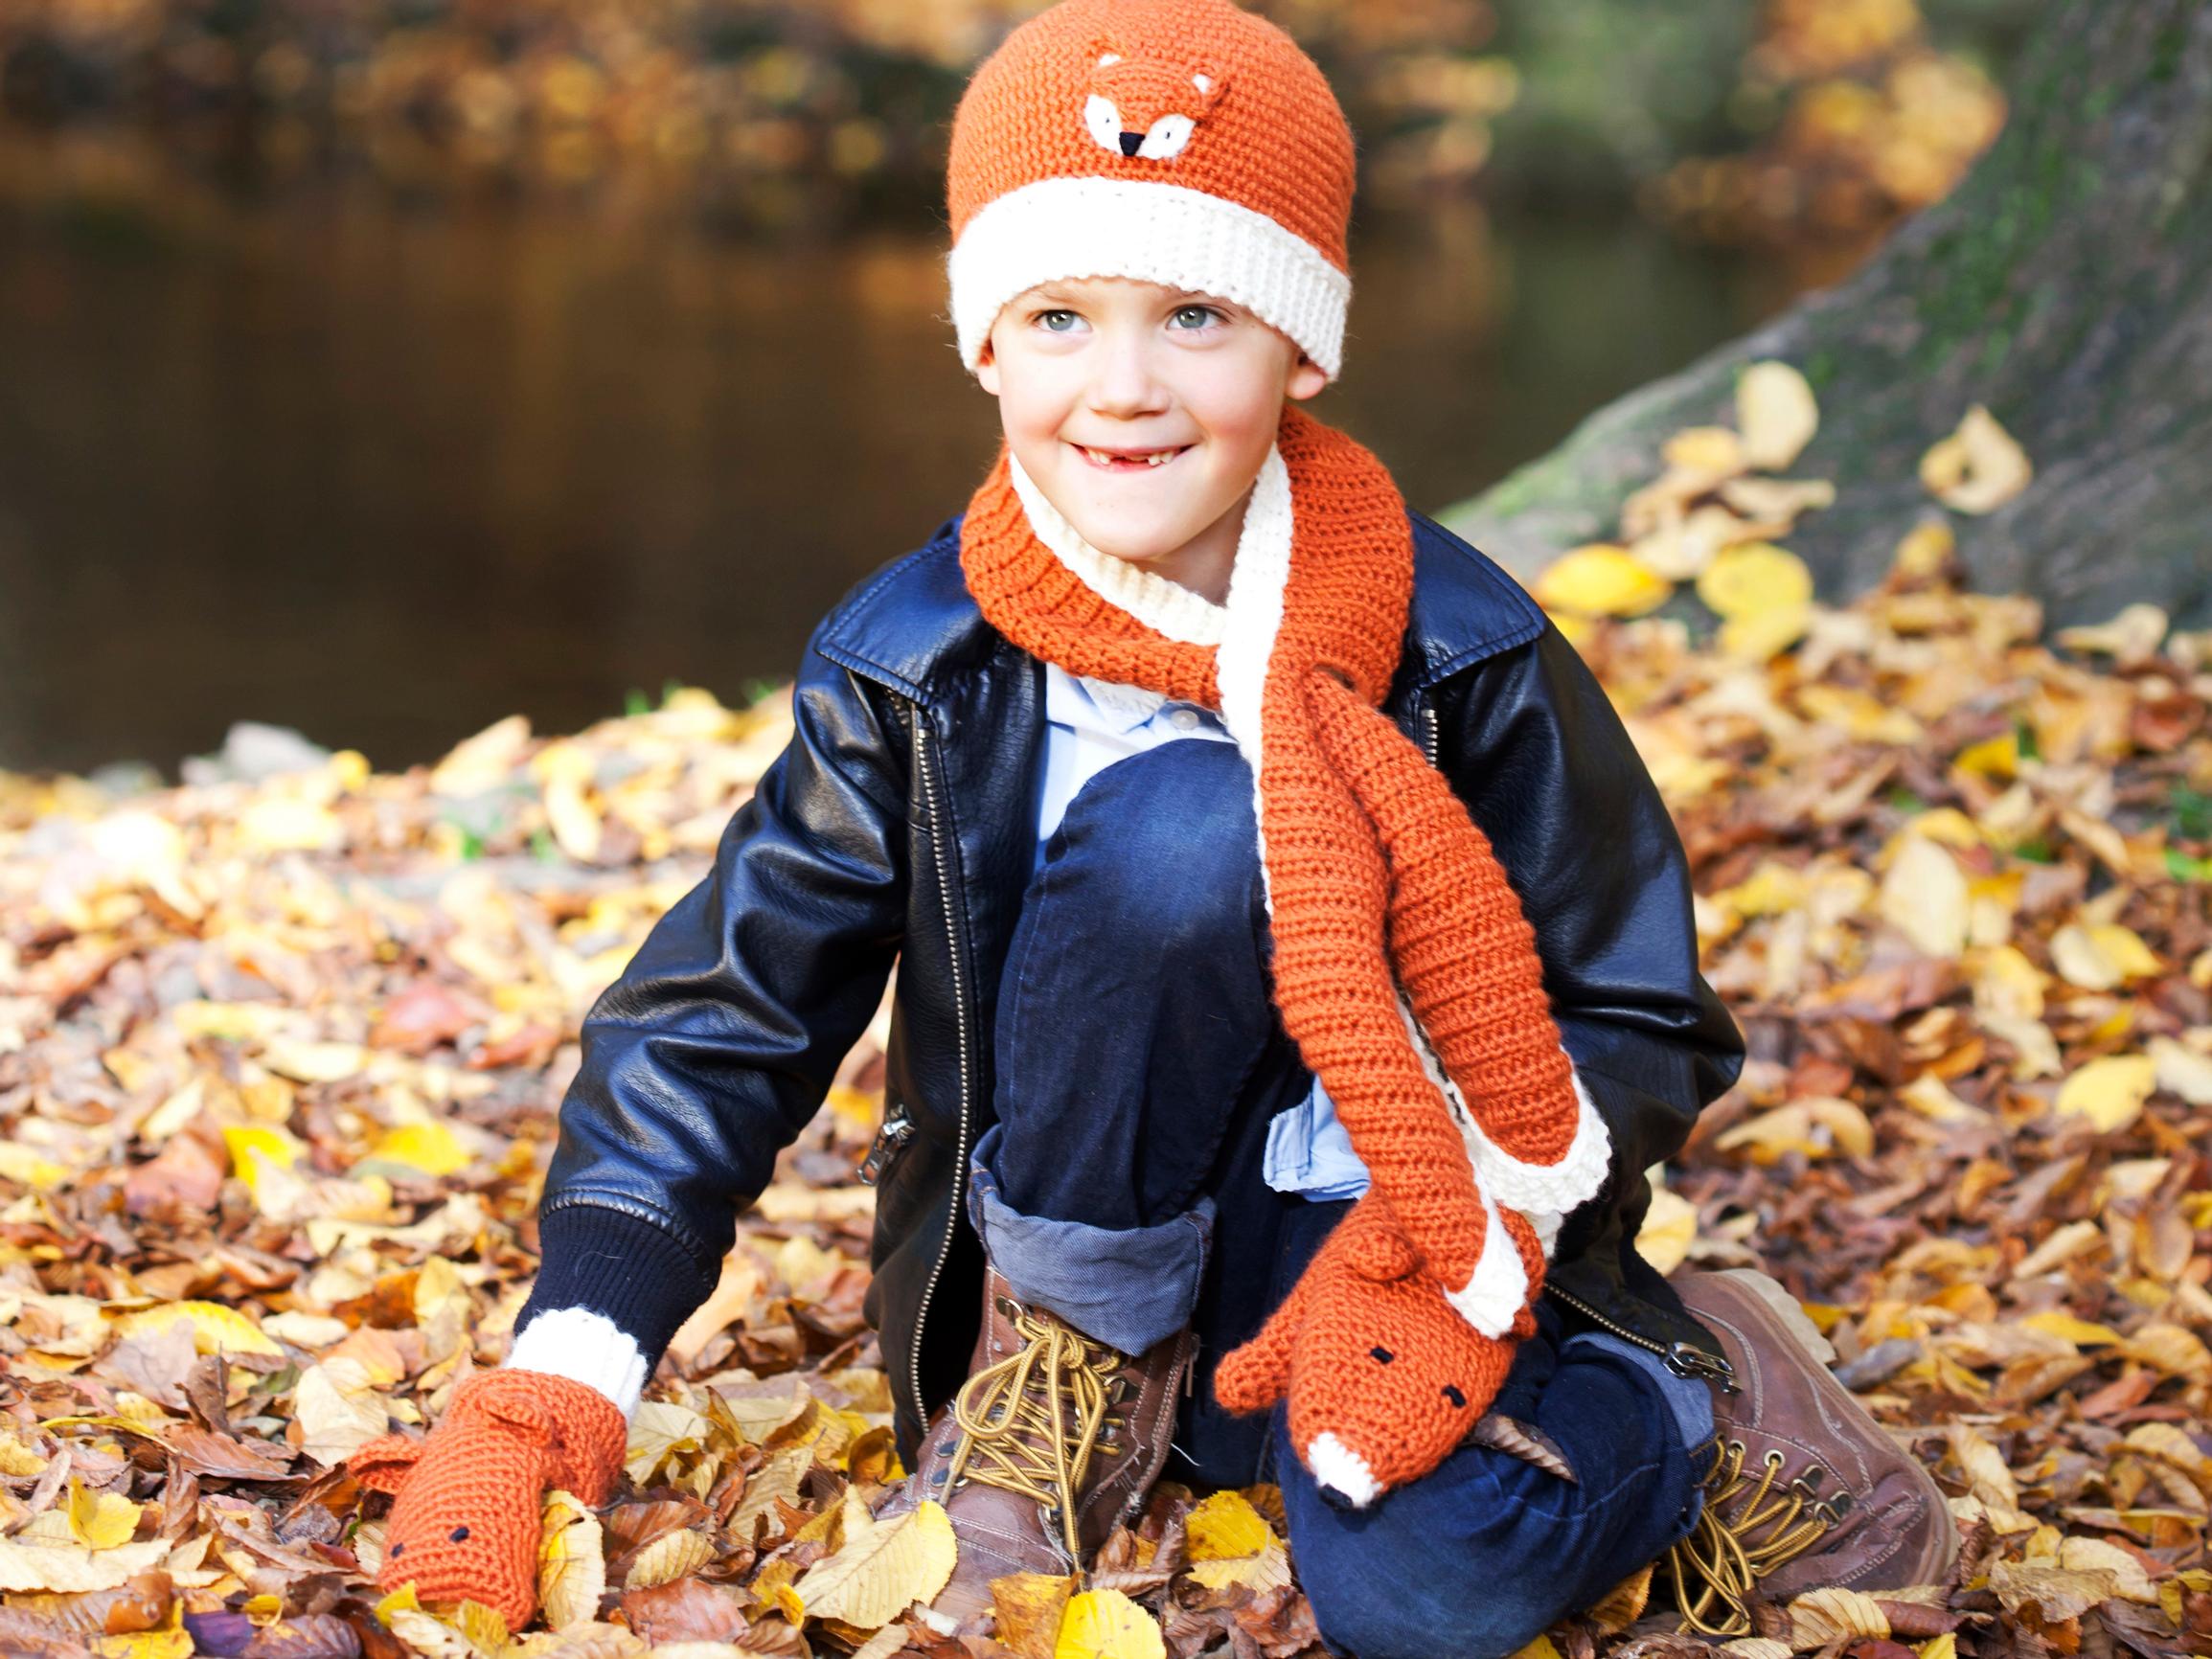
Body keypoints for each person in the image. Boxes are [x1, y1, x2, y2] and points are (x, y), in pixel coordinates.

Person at [352, 0, 1958, 1650]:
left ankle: (1711, 1386)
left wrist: (1439, 1229)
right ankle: (1070, 1379)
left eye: (1195, 314)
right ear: (984, 344)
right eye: (1057, 317)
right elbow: (722, 1019)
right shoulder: (913, 667)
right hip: (1060, 1256)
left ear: (1300, 347)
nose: (1120, 391)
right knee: (1185, 822)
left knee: (1429, 1598)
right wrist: (567, 1367)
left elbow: (1637, 1012)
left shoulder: (1463, 652)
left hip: (1380, 1238)